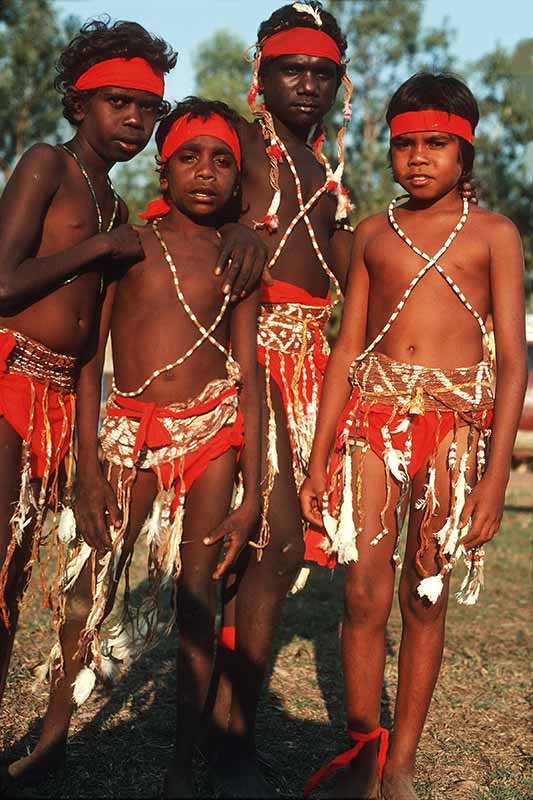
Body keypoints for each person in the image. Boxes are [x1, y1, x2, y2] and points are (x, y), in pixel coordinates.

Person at [300, 72, 527, 800]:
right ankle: (363, 751)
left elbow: (514, 363)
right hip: (374, 421)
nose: (418, 158)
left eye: (436, 144)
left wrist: (493, 480)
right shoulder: (373, 234)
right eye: (403, 145)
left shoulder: (493, 234)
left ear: (465, 151)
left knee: (422, 594)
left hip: (455, 430)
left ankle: (400, 766)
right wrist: (316, 461)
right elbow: (345, 351)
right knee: (362, 592)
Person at [0, 16, 178, 718]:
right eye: (119, 102)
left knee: (12, 577)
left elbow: (90, 347)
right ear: (80, 104)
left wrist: (88, 462)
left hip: (55, 397)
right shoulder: (48, 163)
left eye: (149, 108)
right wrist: (99, 249)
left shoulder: (115, 202)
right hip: (8, 374)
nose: (135, 120)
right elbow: (3, 282)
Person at [206, 2, 355, 795]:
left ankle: (222, 726)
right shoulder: (240, 143)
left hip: (307, 366)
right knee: (276, 544)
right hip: (246, 354)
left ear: (339, 81)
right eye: (291, 69)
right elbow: (194, 199)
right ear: (260, 72)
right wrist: (228, 229)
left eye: (322, 72)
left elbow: (345, 269)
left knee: (262, 548)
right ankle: (228, 741)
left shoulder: (327, 174)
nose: (307, 84)